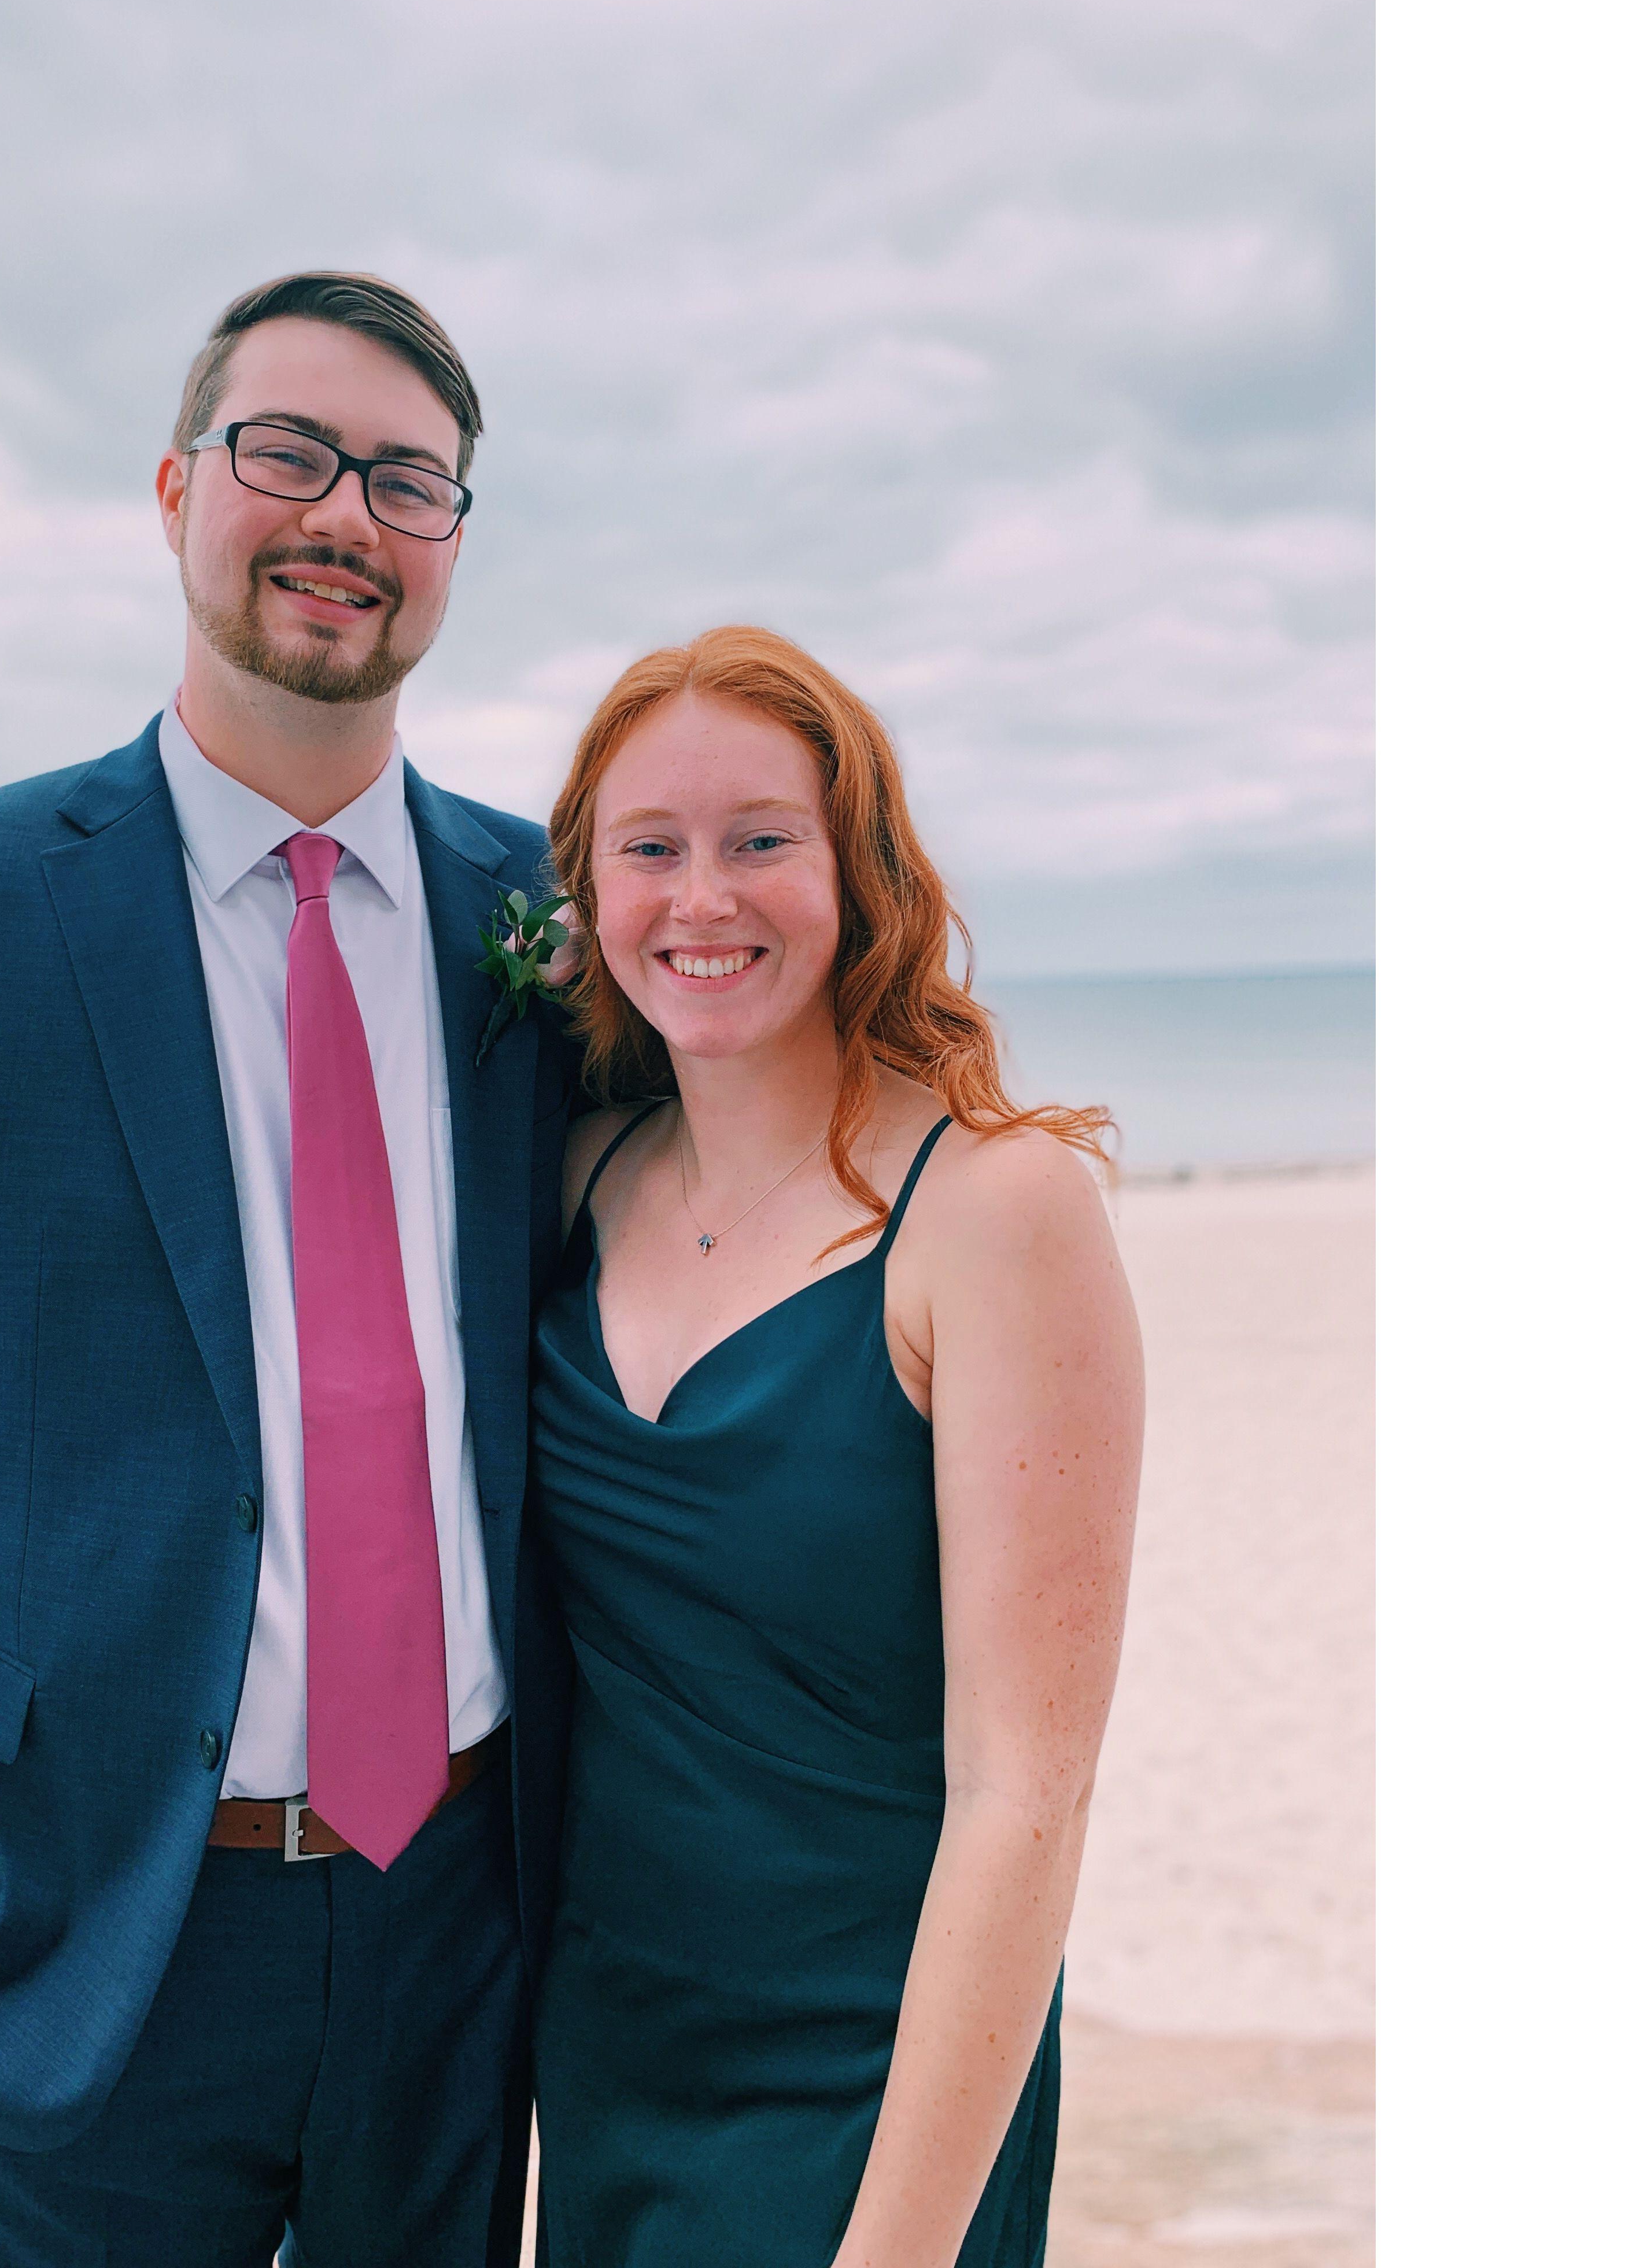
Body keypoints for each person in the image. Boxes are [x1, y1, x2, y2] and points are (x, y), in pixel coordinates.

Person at [0, 271, 582, 2268]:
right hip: (76, 1926)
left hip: (462, 1914)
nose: (344, 515)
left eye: (409, 482)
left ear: (454, 546)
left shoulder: (548, 920)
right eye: (290, 453)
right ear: (179, 486)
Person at [528, 627, 1144, 2268]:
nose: (702, 898)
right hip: (609, 2050)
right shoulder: (576, 1178)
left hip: (879, 2071)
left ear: (857, 868)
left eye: (760, 841)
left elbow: (1032, 1788)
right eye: (649, 850)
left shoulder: (998, 1211)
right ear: (587, 896)